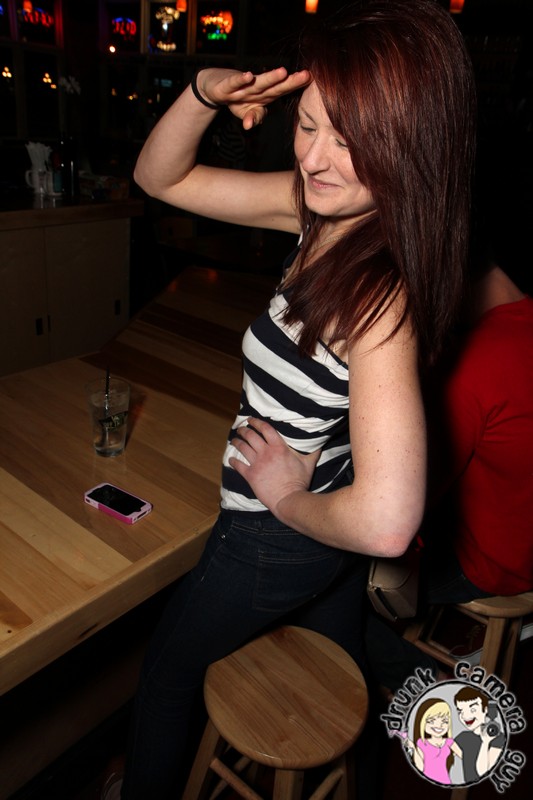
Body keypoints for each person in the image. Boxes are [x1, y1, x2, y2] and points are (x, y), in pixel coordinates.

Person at [118, 2, 476, 797]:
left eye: (348, 140)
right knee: (343, 659)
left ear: (408, 144)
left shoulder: (377, 301)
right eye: (307, 125)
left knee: (166, 678)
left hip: (272, 536)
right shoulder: (324, 214)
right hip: (319, 538)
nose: (315, 157)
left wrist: (283, 498)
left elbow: (386, 520)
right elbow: (158, 178)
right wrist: (204, 94)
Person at [405, 697, 462, 785]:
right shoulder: (422, 743)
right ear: (422, 722)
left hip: (445, 781)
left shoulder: (449, 742)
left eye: (445, 721)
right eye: (431, 721)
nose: (439, 725)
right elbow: (420, 767)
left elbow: (465, 757)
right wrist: (413, 748)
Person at [454, 687, 505, 784]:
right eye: (460, 711)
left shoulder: (498, 738)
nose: (465, 716)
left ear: (485, 709)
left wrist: (485, 742)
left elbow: (482, 772)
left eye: (473, 709)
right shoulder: (463, 737)